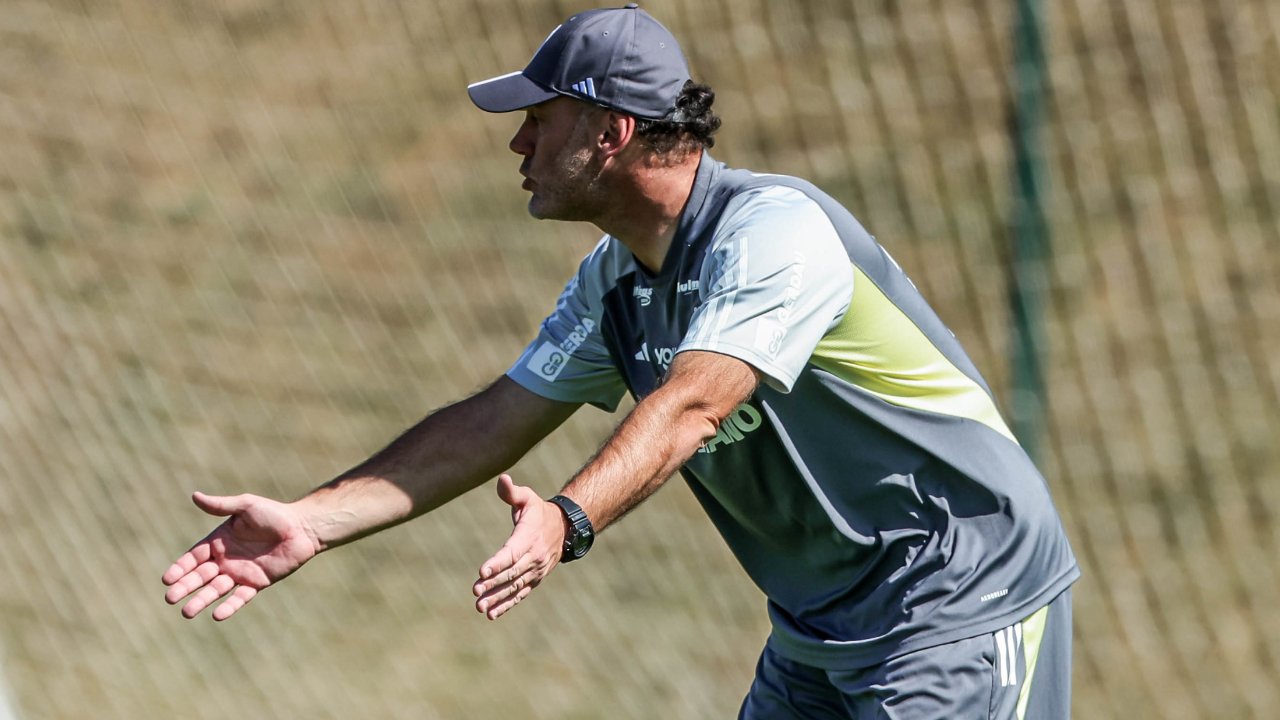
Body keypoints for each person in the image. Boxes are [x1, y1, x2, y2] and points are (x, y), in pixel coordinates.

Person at [162, 5, 1079, 717]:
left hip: (960, 597)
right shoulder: (616, 279)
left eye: (540, 119)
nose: (519, 142)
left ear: (612, 133)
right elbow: (496, 419)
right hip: (820, 632)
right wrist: (312, 522)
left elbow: (694, 407)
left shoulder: (775, 232)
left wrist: (565, 521)